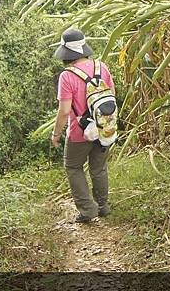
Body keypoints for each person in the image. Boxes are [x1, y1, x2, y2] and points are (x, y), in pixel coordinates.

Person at [51, 28, 115, 223]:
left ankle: (88, 209)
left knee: (73, 166)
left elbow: (64, 111)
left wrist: (56, 135)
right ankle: (103, 206)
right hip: (104, 127)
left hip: (80, 132)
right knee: (99, 168)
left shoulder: (67, 76)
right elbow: (111, 95)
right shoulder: (101, 67)